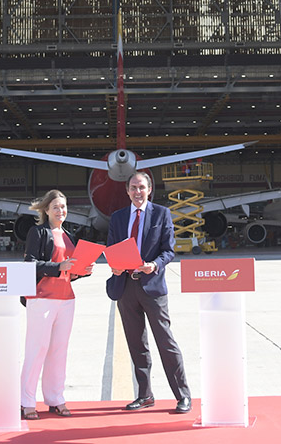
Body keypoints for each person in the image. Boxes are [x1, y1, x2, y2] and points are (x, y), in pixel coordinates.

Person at [105, 170, 192, 414]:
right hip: (125, 287)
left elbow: (169, 250)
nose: (137, 192)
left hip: (152, 285)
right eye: (133, 187)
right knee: (136, 344)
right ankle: (145, 395)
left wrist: (154, 264)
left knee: (166, 342)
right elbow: (112, 247)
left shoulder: (161, 214)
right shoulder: (118, 217)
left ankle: (183, 395)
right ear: (127, 191)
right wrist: (113, 263)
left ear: (149, 189)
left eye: (141, 187)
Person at [20, 189, 90, 420]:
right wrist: (58, 267)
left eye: (64, 206)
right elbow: (30, 263)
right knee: (37, 349)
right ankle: (27, 401)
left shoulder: (68, 235)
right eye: (56, 207)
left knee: (59, 351)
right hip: (42, 297)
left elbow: (69, 270)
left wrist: (81, 272)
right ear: (47, 210)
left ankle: (56, 398)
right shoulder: (38, 232)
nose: (61, 211)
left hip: (66, 299)